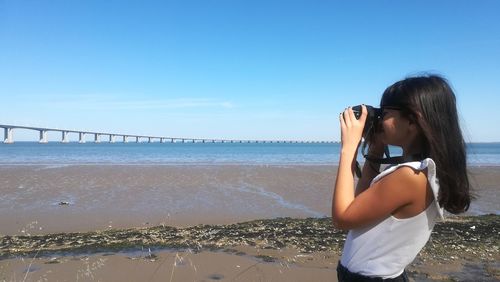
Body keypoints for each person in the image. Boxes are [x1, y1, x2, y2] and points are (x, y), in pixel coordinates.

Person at [332, 74, 471, 281]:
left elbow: (342, 218)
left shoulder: (410, 176)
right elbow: (358, 208)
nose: (379, 120)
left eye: (385, 113)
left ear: (413, 121)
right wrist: (376, 150)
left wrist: (348, 149)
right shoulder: (423, 171)